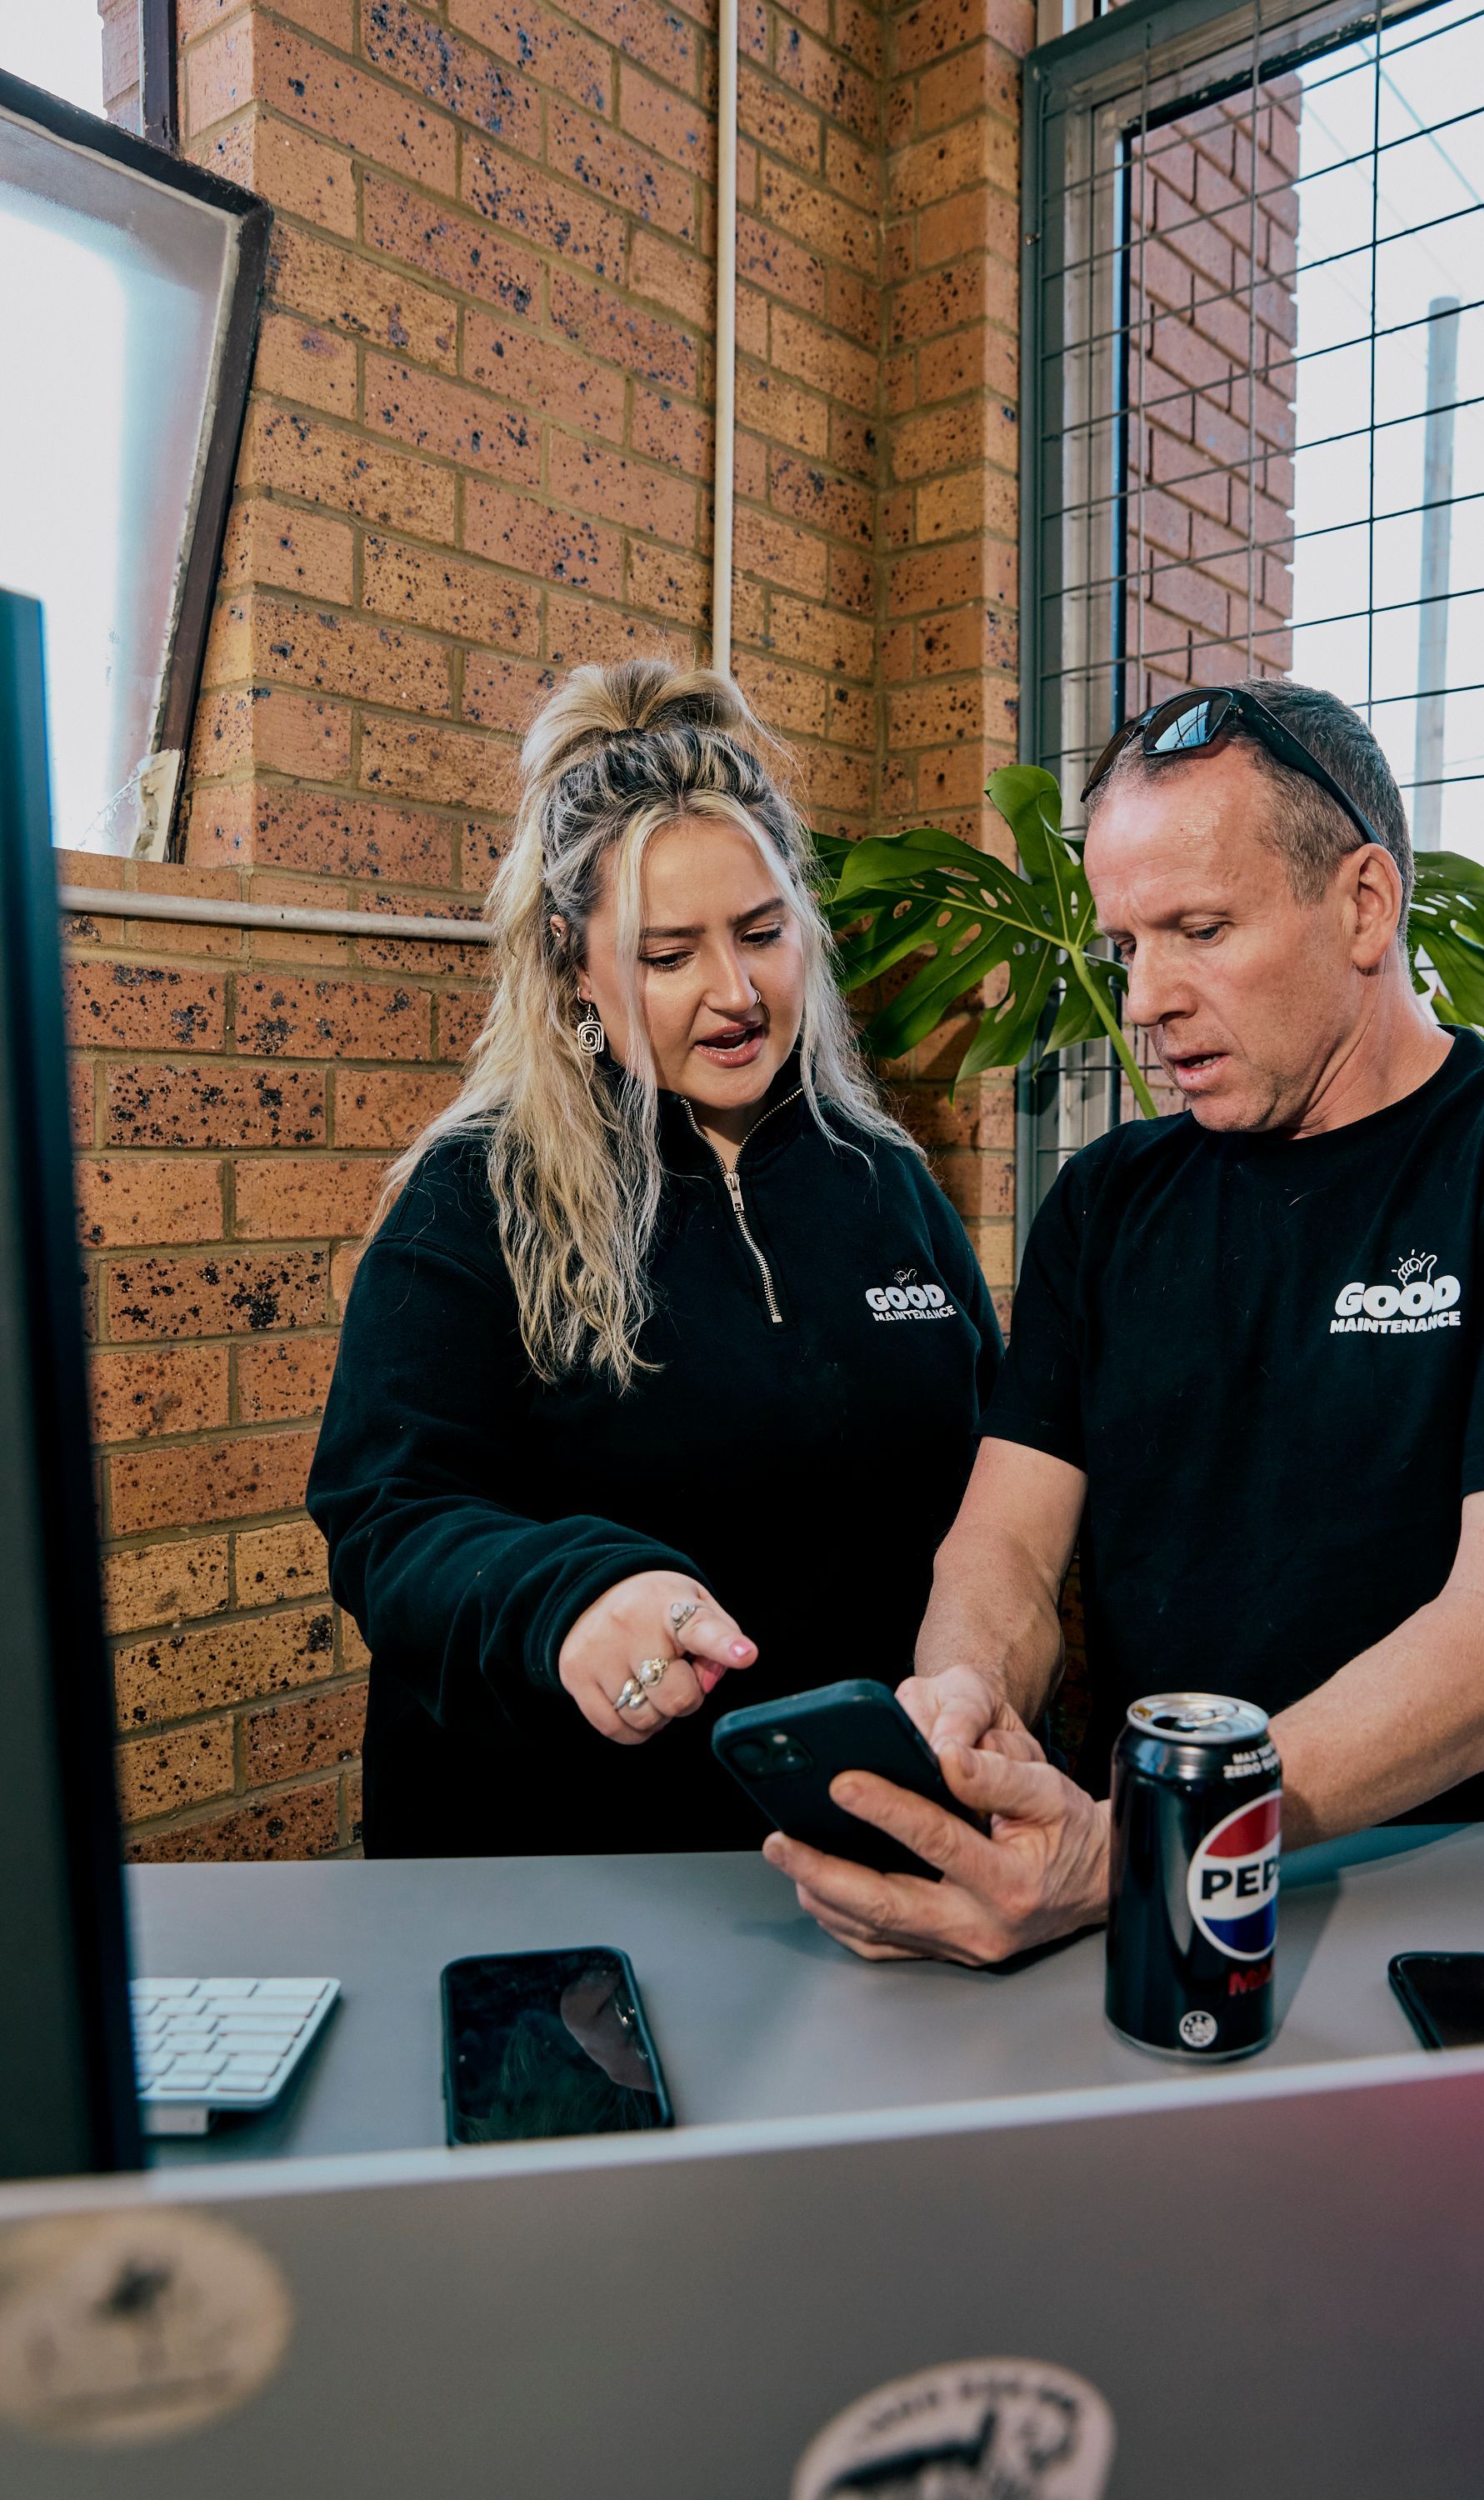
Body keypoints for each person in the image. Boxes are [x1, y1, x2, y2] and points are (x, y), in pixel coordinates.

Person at [763, 679, 1484, 1964]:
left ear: (1363, 904)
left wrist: (1157, 1833)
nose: (1144, 999)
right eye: (1128, 947)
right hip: (1161, 1901)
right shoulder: (1107, 1201)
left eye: (1198, 930)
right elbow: (1003, 1549)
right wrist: (968, 1702)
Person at [307, 659, 1002, 1856]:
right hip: (569, 1860)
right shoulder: (479, 1193)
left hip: (852, 1853)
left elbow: (990, 1474)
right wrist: (569, 1596)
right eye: (669, 955)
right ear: (574, 967)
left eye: (761, 934)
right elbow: (389, 1515)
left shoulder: (882, 1180)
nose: (735, 993)